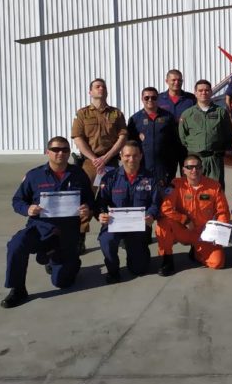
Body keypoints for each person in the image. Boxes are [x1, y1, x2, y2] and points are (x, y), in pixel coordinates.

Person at [1, 137, 94, 308]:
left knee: (62, 282)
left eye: (65, 150)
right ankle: (17, 288)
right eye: (56, 149)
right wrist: (27, 209)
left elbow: (90, 199)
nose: (61, 153)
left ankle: (65, 261)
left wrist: (87, 207)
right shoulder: (34, 175)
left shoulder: (79, 174)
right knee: (16, 244)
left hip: (67, 233)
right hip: (40, 229)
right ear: (47, 152)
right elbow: (17, 200)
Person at [71, 78, 127, 252]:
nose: (100, 89)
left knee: (115, 198)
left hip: (110, 162)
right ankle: (80, 237)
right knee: (84, 200)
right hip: (89, 163)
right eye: (97, 87)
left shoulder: (116, 114)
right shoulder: (82, 114)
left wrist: (107, 156)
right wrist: (94, 158)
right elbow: (78, 138)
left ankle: (117, 234)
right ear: (90, 92)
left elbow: (122, 136)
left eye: (103, 86)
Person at [95, 141, 162, 283]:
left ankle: (135, 251)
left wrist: (151, 214)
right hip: (114, 224)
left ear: (141, 156)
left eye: (135, 155)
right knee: (107, 240)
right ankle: (113, 269)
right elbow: (100, 202)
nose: (131, 159)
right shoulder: (110, 177)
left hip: (138, 226)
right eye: (127, 156)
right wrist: (100, 214)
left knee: (139, 269)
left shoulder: (151, 178)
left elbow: (156, 203)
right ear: (120, 156)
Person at [155, 154, 231, 274]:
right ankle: (167, 260)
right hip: (184, 229)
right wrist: (184, 220)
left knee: (217, 263)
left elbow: (223, 212)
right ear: (183, 170)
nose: (194, 170)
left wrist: (221, 233)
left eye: (197, 167)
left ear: (202, 169)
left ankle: (196, 253)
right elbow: (166, 208)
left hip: (204, 232)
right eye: (190, 167)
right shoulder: (176, 185)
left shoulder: (214, 186)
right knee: (163, 223)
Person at [178, 79, 232, 189]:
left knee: (216, 188)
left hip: (214, 158)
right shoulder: (188, 114)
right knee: (194, 187)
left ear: (211, 92)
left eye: (207, 90)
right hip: (195, 158)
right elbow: (183, 137)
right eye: (200, 90)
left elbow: (228, 133)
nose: (204, 93)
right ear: (196, 93)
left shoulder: (220, 112)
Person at [127, 87, 178, 186]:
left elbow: (175, 142)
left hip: (164, 167)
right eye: (147, 98)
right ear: (142, 99)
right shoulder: (135, 119)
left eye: (153, 98)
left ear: (158, 99)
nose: (150, 100)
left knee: (164, 197)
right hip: (143, 166)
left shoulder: (168, 117)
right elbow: (130, 145)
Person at [157, 69, 196, 174]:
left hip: (186, 144)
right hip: (167, 144)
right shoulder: (159, 99)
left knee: (188, 174)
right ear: (166, 81)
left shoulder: (190, 99)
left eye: (179, 80)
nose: (176, 83)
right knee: (168, 176)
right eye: (173, 80)